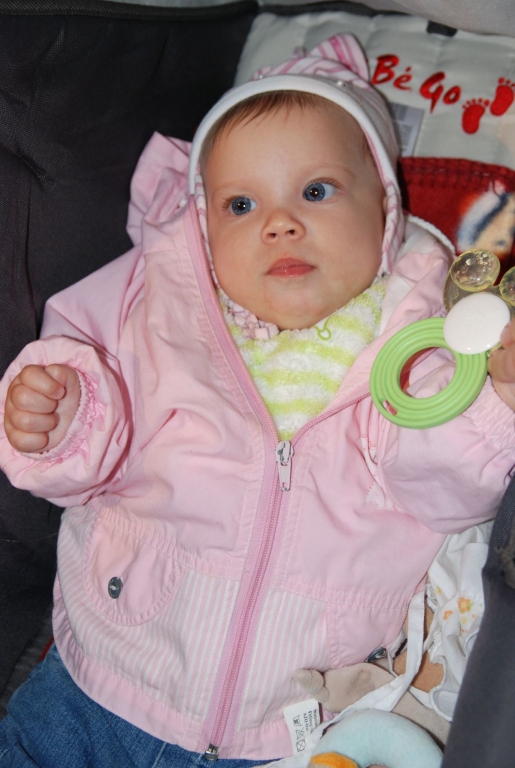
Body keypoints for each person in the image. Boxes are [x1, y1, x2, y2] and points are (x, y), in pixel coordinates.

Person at [1, 33, 515, 768]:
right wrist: (60, 414)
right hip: (104, 680)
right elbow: (96, 417)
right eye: (241, 204)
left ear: (385, 209)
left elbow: (443, 486)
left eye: (315, 191)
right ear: (203, 224)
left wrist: (495, 402)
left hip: (295, 719)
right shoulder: (158, 303)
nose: (279, 222)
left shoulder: (416, 333)